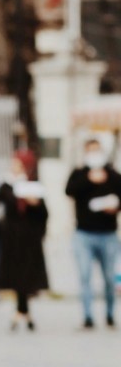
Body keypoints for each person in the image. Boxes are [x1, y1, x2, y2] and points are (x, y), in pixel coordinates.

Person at [65, 138, 121, 329]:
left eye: (97, 150)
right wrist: (89, 180)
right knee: (85, 276)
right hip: (84, 234)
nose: (94, 154)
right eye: (91, 150)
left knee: (108, 277)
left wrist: (115, 207)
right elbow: (69, 190)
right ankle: (88, 316)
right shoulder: (79, 173)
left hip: (108, 234)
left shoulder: (113, 174)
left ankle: (110, 315)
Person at [0, 153, 48, 331]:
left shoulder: (34, 185)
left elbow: (44, 213)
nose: (13, 167)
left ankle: (21, 311)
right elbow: (0, 199)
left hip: (29, 238)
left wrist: (35, 204)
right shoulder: (5, 185)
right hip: (12, 238)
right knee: (17, 275)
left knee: (27, 276)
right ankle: (24, 312)